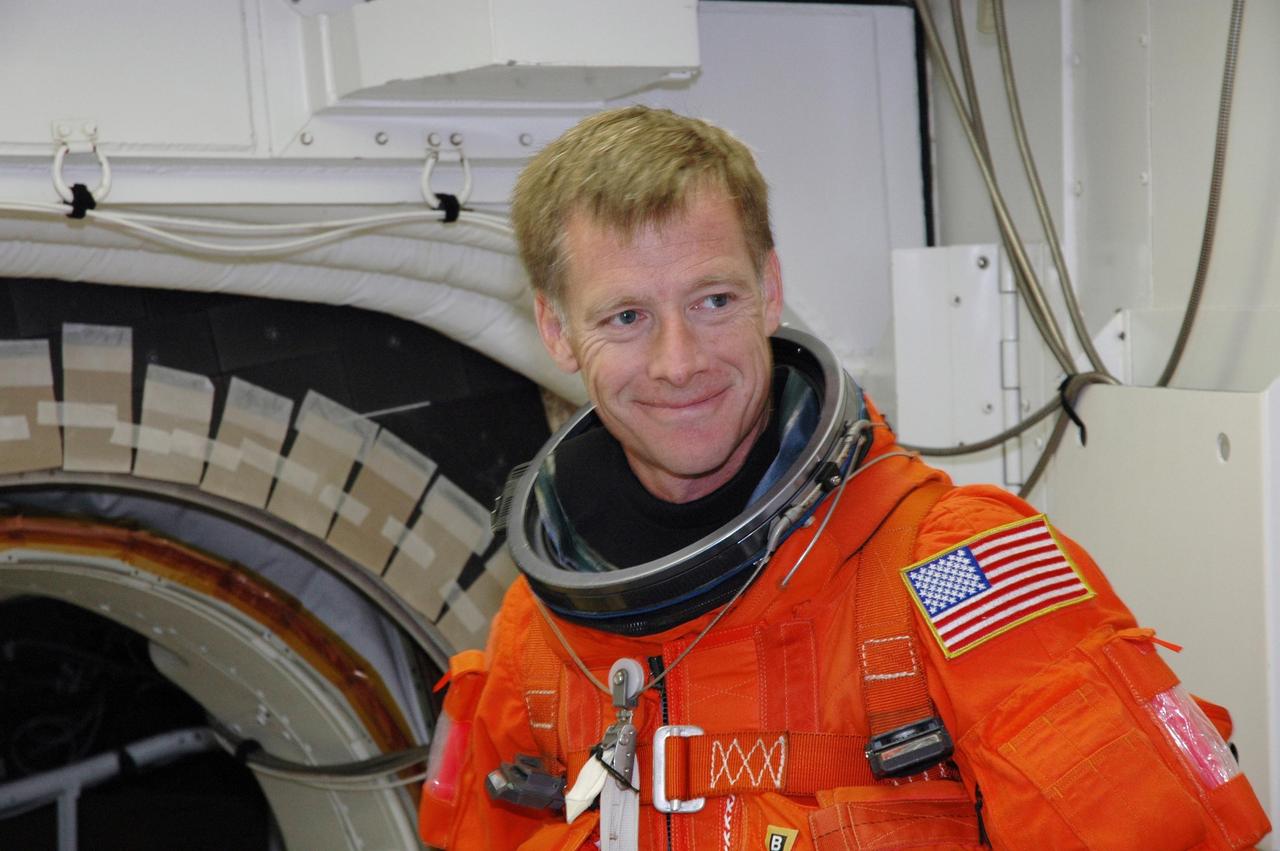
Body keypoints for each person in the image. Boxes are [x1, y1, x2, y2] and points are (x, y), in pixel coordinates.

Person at [418, 106, 1270, 850]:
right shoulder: (537, 634)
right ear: (558, 331)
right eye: (627, 316)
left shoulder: (953, 571)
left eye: (714, 300)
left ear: (771, 289)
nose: (679, 362)